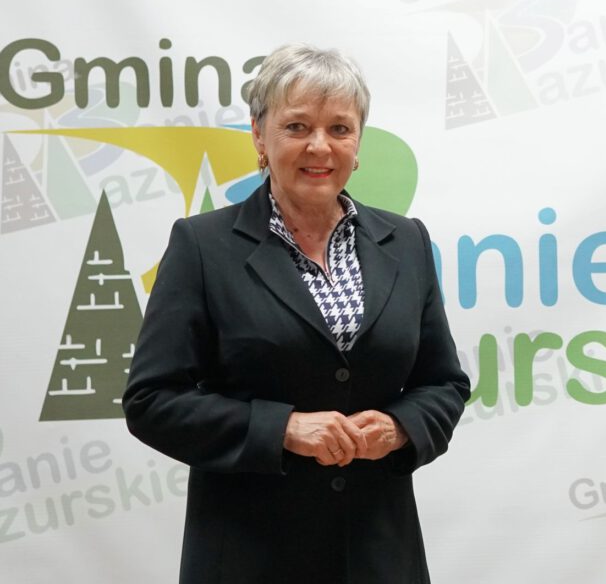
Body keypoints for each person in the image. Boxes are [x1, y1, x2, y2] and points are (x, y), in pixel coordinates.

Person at [123, 44, 470, 583]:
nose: (320, 146)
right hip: (249, 558)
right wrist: (282, 428)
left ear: (358, 143)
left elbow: (444, 383)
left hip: (380, 556)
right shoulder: (202, 246)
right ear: (259, 137)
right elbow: (151, 401)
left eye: (340, 128)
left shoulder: (406, 241)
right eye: (297, 126)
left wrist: (400, 428)